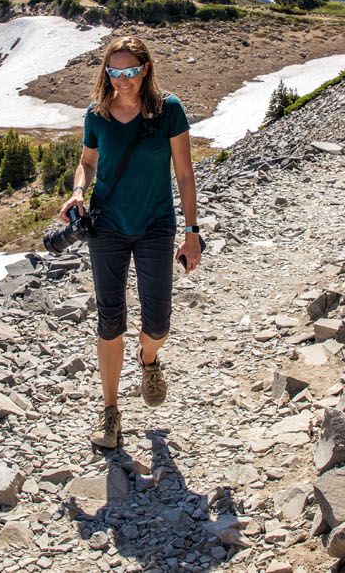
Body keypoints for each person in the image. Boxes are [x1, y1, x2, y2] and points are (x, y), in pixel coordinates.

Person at [57, 35, 202, 449]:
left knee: (158, 324)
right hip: (108, 228)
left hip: (157, 225)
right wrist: (78, 191)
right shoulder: (97, 114)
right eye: (114, 71)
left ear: (145, 69)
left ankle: (149, 358)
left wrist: (192, 234)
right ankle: (110, 413)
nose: (122, 79)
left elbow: (185, 175)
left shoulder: (168, 111)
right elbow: (87, 162)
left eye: (130, 70)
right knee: (110, 320)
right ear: (107, 72)